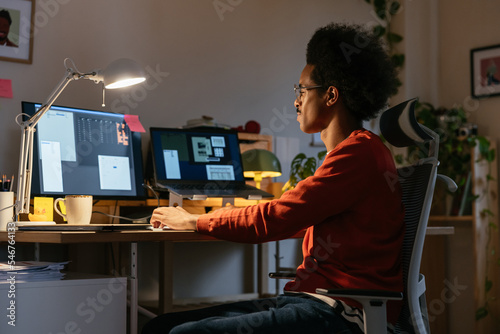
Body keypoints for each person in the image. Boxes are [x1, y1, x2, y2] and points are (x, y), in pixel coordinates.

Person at [143, 22, 404, 334]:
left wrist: (195, 221)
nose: (296, 100)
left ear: (331, 95)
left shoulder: (359, 154)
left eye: (302, 90)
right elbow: (293, 215)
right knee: (159, 326)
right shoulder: (356, 152)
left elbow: (279, 216)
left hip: (340, 310)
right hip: (311, 299)